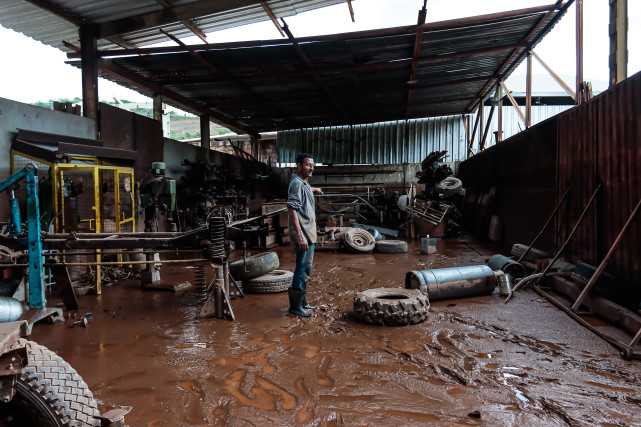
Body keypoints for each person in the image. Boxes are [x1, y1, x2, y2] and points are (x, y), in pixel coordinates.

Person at [286, 153, 323, 317]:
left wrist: (314, 189)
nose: (311, 168)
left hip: (309, 231)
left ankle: (302, 302)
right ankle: (295, 307)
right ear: (299, 165)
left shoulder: (304, 182)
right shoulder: (297, 184)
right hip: (305, 233)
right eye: (308, 165)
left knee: (306, 268)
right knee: (302, 268)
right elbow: (292, 209)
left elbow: (305, 187)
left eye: (313, 165)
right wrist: (300, 236)